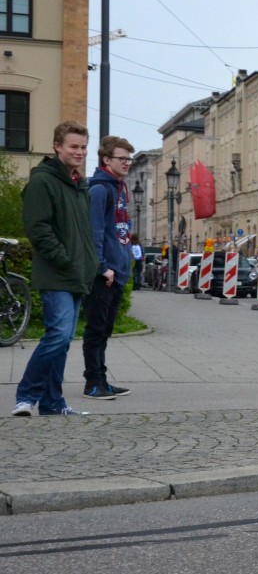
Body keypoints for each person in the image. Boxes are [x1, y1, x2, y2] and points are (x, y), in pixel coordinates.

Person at [12, 121, 99, 417]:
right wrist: (65, 260)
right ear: (57, 146)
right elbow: (38, 229)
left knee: (62, 343)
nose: (79, 152)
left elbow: (83, 232)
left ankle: (53, 403)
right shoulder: (43, 182)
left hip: (76, 273)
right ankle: (26, 396)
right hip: (56, 272)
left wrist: (89, 264)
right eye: (73, 146)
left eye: (84, 147)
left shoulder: (79, 184)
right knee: (58, 336)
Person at [81, 136, 136, 400]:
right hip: (104, 274)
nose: (127, 163)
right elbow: (95, 232)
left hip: (118, 271)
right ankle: (93, 383)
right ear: (106, 159)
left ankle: (102, 379)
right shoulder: (100, 189)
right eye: (121, 158)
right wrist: (103, 267)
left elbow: (122, 230)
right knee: (95, 330)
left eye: (128, 159)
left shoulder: (120, 187)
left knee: (105, 331)